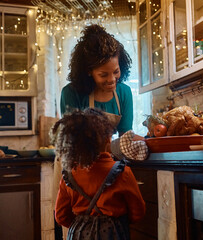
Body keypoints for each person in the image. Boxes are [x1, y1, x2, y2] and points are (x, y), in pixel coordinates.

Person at [53, 108, 146, 238]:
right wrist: (118, 223)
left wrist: (84, 228)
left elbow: (61, 216)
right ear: (108, 139)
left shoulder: (69, 175)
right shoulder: (122, 172)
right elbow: (138, 212)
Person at [60, 23, 133, 137]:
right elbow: (73, 140)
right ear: (88, 71)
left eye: (116, 72)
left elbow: (126, 137)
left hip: (111, 154)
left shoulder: (124, 92)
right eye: (103, 75)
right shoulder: (71, 93)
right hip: (82, 154)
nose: (111, 80)